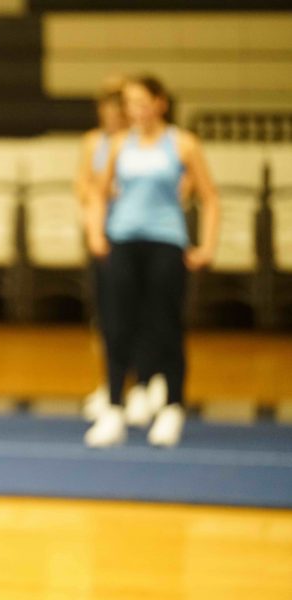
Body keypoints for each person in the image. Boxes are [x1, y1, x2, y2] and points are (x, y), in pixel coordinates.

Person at [84, 74, 220, 448]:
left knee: (165, 324)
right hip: (124, 240)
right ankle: (114, 405)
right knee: (117, 325)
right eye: (129, 103)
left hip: (166, 241)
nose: (135, 110)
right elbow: (98, 192)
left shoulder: (183, 143)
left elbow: (210, 197)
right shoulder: (116, 145)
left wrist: (206, 245)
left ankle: (172, 407)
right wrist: (96, 232)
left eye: (142, 102)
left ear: (160, 103)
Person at [75, 77, 157, 424]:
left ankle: (144, 381)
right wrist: (95, 220)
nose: (108, 118)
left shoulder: (138, 143)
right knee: (107, 318)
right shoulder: (95, 142)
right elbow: (84, 186)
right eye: (103, 112)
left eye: (115, 111)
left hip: (136, 236)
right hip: (103, 236)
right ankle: (111, 381)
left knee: (141, 314)